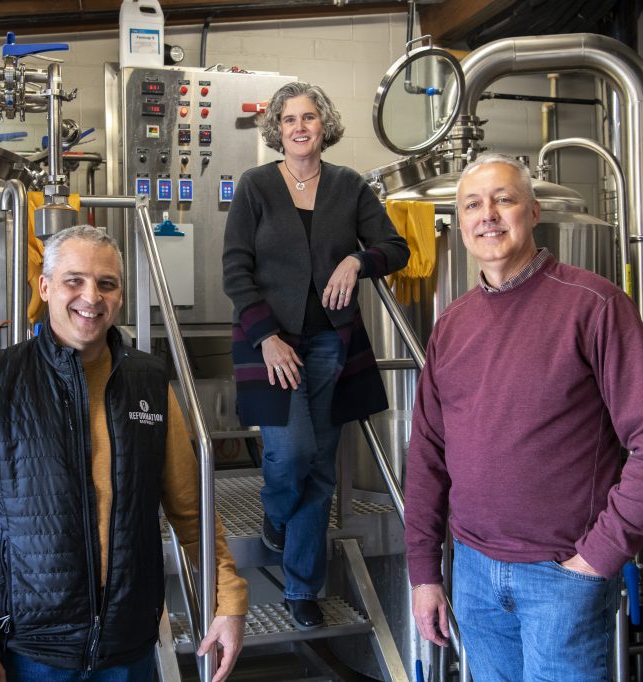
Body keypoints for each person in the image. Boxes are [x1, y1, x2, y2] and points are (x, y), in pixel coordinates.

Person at [404, 153, 643, 680]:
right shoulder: (452, 325)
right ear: (461, 223)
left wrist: (597, 557)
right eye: (472, 204)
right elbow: (426, 454)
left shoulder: (593, 305)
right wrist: (424, 573)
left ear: (534, 212)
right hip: (472, 572)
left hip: (562, 576)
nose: (487, 214)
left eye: (504, 199)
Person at [0, 226, 247, 682]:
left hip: (128, 650)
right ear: (45, 288)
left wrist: (228, 599)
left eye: (106, 283)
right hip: (28, 654)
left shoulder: (149, 382)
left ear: (120, 295)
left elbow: (192, 510)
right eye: (73, 280)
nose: (91, 297)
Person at [222, 82, 408, 630]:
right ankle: (275, 518)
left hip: (332, 340)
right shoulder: (255, 186)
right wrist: (265, 337)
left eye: (308, 117)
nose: (299, 127)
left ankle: (303, 587)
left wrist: (356, 261)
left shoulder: (350, 186)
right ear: (276, 130)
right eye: (288, 119)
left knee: (322, 467)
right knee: (294, 452)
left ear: (323, 125)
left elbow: (394, 248)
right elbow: (235, 268)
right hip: (270, 342)